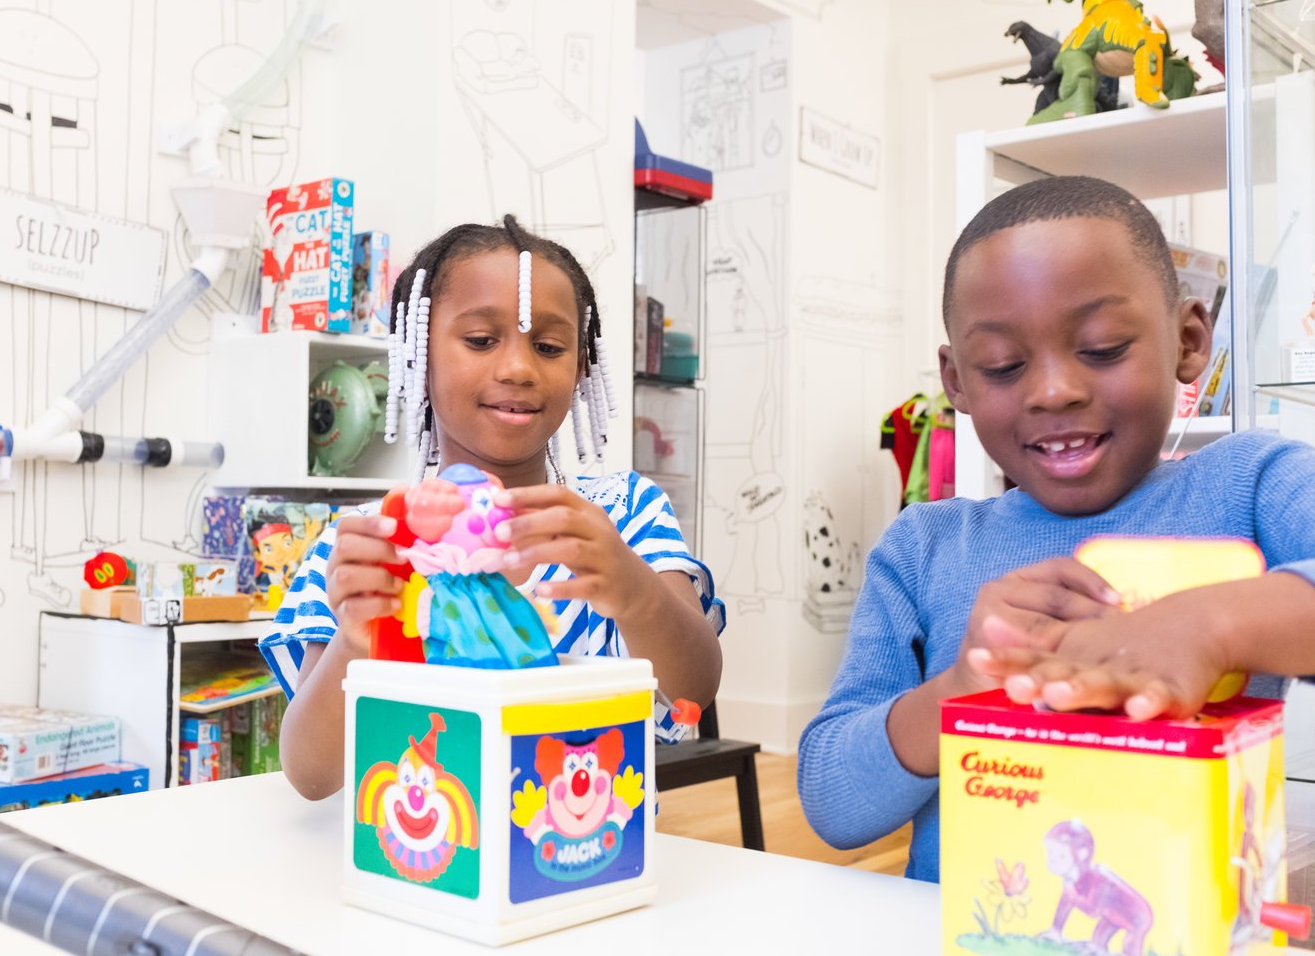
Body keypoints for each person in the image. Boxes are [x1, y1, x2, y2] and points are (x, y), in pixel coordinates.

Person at [798, 176, 1315, 882]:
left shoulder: (1251, 485)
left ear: (1189, 341)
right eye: (1003, 366)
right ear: (956, 381)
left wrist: (1215, 624)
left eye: (1102, 348)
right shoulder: (924, 548)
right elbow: (833, 803)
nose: (1053, 391)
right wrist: (961, 688)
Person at [260, 215, 725, 800]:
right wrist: (357, 641)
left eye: (550, 347)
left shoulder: (623, 516)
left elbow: (693, 692)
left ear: (582, 367)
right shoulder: (366, 544)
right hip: (424, 862)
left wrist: (634, 590)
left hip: (578, 860)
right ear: (417, 352)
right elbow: (311, 775)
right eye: (481, 340)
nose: (518, 369)